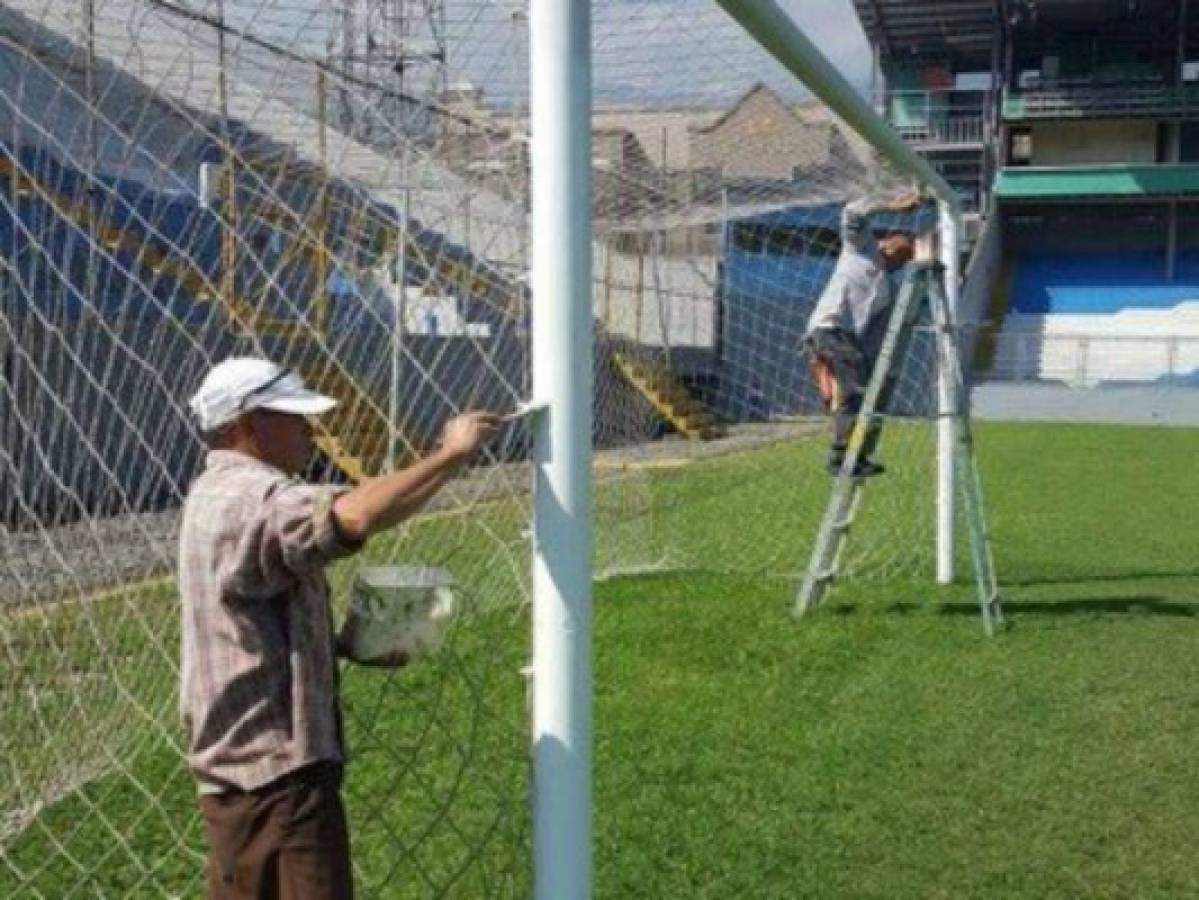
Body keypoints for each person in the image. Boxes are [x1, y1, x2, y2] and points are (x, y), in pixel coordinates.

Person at [178, 356, 500, 899]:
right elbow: (350, 517)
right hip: (275, 778)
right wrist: (449, 453)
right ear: (249, 423)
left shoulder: (216, 493)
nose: (310, 428)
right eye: (294, 416)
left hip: (246, 778)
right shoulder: (253, 497)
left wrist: (343, 645)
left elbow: (254, 614)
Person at [802, 189, 923, 477]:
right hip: (829, 329)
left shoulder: (886, 287)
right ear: (884, 241)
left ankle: (853, 451)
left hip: (847, 339)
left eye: (906, 254)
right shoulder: (860, 248)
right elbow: (852, 211)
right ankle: (839, 457)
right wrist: (892, 206)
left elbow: (874, 330)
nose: (902, 250)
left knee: (862, 390)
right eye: (900, 243)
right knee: (855, 391)